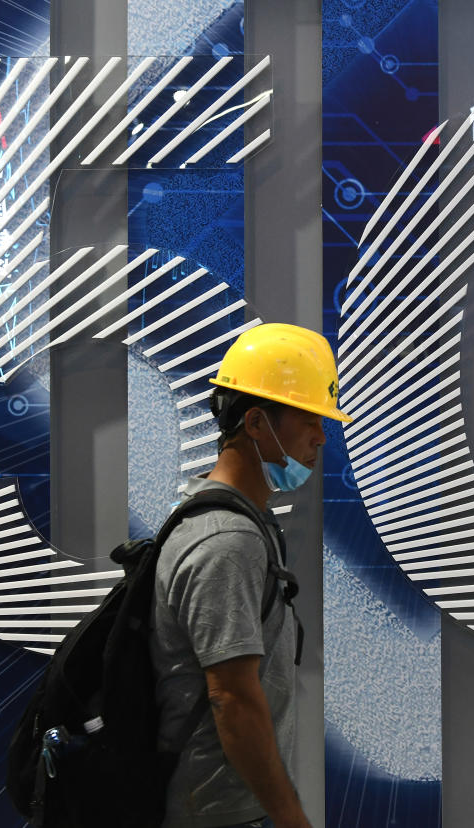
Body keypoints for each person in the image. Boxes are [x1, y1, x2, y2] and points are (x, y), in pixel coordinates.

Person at [151, 322, 350, 828]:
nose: (321, 437)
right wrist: (291, 818)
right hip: (217, 815)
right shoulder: (226, 541)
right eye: (309, 417)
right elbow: (231, 699)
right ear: (257, 423)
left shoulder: (233, 522)